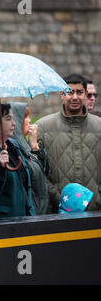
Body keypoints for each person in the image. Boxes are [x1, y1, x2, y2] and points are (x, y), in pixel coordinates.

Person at [36, 73, 101, 212]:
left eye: (79, 92)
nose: (75, 97)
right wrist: (58, 197)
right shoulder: (43, 127)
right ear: (62, 94)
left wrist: (97, 197)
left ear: (85, 94)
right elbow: (38, 170)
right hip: (59, 211)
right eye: (69, 92)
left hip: (96, 209)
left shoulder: (99, 126)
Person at [0, 103, 35, 218]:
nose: (14, 123)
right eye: (8, 119)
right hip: (5, 220)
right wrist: (0, 167)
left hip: (25, 215)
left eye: (13, 119)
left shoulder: (13, 145)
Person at [10, 102, 50, 214]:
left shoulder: (25, 146)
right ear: (17, 120)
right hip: (31, 214)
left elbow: (45, 172)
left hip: (42, 211)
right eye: (25, 116)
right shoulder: (12, 150)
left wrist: (34, 146)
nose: (29, 120)